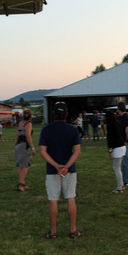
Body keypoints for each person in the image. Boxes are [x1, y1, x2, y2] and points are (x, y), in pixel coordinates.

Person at [39, 102, 83, 239]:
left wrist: (56, 166)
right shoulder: (72, 129)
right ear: (66, 114)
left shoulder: (46, 130)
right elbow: (77, 151)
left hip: (52, 171)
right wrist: (66, 166)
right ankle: (73, 230)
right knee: (70, 198)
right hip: (69, 171)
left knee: (53, 200)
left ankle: (53, 232)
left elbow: (42, 152)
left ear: (53, 114)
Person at [14, 109, 35, 192]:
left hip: (18, 145)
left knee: (21, 165)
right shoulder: (28, 124)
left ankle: (22, 182)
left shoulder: (20, 123)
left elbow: (17, 136)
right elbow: (28, 136)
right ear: (30, 116)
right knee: (26, 165)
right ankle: (21, 184)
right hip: (24, 146)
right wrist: (32, 148)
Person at [106, 111, 126, 193]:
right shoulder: (118, 123)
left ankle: (119, 187)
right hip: (122, 147)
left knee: (116, 168)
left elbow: (110, 139)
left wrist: (110, 151)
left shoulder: (110, 125)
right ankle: (121, 185)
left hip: (117, 149)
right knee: (118, 168)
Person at [117, 102, 128, 186]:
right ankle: (125, 178)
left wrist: (125, 140)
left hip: (124, 142)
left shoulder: (125, 117)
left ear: (119, 108)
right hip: (122, 142)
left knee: (126, 161)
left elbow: (127, 130)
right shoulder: (122, 117)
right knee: (124, 161)